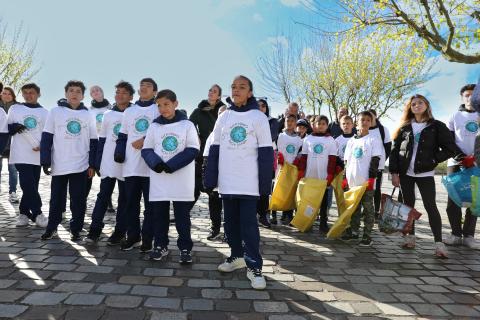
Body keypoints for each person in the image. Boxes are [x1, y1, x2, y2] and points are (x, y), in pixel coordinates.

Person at [204, 75, 273, 290]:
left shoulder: (258, 117)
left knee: (249, 226)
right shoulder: (224, 117)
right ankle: (236, 256)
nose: (236, 90)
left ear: (250, 92)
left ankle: (254, 266)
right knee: (230, 224)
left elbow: (265, 153)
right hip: (227, 181)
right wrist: (211, 178)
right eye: (233, 87)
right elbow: (214, 149)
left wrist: (264, 185)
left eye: (242, 87)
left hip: (248, 182)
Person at [390, 94, 466, 257]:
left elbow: (449, 148)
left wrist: (433, 160)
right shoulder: (404, 127)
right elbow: (395, 151)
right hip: (405, 174)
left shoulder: (437, 126)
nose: (416, 106)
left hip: (425, 173)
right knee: (408, 206)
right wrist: (394, 173)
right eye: (413, 104)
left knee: (431, 206)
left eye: (420, 103)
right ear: (410, 108)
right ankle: (410, 237)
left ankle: (439, 244)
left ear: (427, 105)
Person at [142, 89, 199, 264]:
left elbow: (193, 149)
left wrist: (172, 165)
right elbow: (147, 149)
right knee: (159, 215)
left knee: (182, 216)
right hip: (160, 178)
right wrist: (156, 163)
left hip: (181, 178)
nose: (163, 109)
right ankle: (160, 245)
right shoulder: (154, 126)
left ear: (176, 104)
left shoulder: (187, 125)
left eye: (166, 104)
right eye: (159, 105)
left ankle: (185, 248)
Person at [40, 80, 98, 241]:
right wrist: (45, 160)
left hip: (81, 164)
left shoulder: (88, 114)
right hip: (59, 164)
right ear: (66, 94)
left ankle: (76, 229)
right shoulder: (55, 112)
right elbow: (47, 137)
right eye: (71, 90)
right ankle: (52, 228)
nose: (74, 94)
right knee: (56, 200)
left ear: (83, 96)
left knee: (78, 200)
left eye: (78, 91)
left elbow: (94, 141)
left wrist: (93, 164)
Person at [86, 81, 134, 244]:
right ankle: (94, 230)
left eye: (124, 93)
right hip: (108, 162)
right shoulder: (108, 114)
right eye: (117, 92)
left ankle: (120, 231)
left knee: (124, 199)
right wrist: (98, 163)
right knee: (103, 197)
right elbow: (102, 140)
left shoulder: (134, 113)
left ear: (131, 96)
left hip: (127, 163)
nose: (120, 95)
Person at [114, 78, 159, 252]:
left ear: (154, 91)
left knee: (151, 206)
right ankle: (133, 236)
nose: (144, 88)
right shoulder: (130, 111)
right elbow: (123, 135)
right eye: (141, 86)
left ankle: (148, 239)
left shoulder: (158, 109)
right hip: (131, 165)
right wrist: (119, 152)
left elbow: (164, 131)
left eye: (148, 86)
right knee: (130, 204)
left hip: (150, 167)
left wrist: (145, 140)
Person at [7, 83, 49, 228]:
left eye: (31, 92)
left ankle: (24, 214)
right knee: (27, 182)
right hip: (20, 153)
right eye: (25, 92)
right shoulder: (15, 108)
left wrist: (43, 146)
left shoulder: (45, 112)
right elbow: (7, 127)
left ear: (38, 94)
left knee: (32, 184)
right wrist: (15, 127)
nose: (28, 95)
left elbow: (48, 133)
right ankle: (37, 213)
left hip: (36, 153)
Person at [444, 84, 480, 249]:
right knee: (454, 200)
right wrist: (461, 157)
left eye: (473, 95)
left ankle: (469, 235)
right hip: (456, 163)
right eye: (467, 95)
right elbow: (449, 142)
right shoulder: (454, 116)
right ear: (462, 97)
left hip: (477, 164)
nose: (470, 98)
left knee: (475, 200)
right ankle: (455, 234)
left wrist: (475, 159)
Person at [189, 85, 226, 239]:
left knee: (216, 195)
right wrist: (195, 136)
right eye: (209, 90)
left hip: (223, 155)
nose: (211, 93)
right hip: (202, 152)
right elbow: (189, 125)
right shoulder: (199, 110)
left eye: (214, 91)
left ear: (219, 96)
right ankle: (182, 213)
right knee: (197, 186)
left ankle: (218, 227)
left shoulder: (225, 111)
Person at [341, 111, 382, 246]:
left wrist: (371, 178)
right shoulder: (351, 141)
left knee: (368, 208)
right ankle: (354, 231)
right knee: (354, 208)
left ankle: (367, 234)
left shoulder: (374, 139)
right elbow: (346, 161)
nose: (364, 122)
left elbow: (375, 160)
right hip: (352, 181)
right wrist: (344, 178)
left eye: (367, 120)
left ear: (371, 123)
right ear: (356, 123)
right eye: (362, 120)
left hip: (366, 182)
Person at [295, 115, 337, 233]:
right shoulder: (308, 139)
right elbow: (303, 157)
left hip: (323, 178)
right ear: (314, 125)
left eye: (324, 124)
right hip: (309, 176)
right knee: (308, 200)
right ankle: (307, 222)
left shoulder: (330, 140)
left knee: (323, 202)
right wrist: (301, 171)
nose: (321, 126)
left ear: (327, 126)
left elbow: (333, 159)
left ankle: (323, 223)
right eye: (319, 123)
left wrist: (330, 175)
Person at [87, 85, 115, 212]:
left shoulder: (112, 108)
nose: (95, 92)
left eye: (97, 90)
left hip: (109, 143)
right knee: (91, 173)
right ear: (91, 95)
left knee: (107, 174)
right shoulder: (88, 110)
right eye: (92, 91)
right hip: (94, 143)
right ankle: (82, 199)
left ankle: (108, 201)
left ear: (102, 92)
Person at [202, 105, 227, 240]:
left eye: (225, 114)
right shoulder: (212, 135)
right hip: (215, 176)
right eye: (220, 114)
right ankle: (215, 229)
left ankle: (230, 232)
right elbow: (206, 157)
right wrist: (207, 178)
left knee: (230, 207)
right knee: (214, 204)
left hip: (229, 177)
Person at [274, 113, 303, 224]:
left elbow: (300, 152)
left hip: (292, 168)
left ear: (295, 123)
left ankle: (288, 215)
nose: (290, 123)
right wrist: (279, 157)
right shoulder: (280, 135)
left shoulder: (298, 139)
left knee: (290, 190)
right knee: (278, 188)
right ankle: (274, 214)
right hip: (281, 166)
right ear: (285, 122)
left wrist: (297, 161)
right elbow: (276, 148)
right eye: (288, 121)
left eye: (292, 121)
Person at [257, 98, 279, 228]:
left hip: (267, 154)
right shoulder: (250, 119)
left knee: (265, 186)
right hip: (252, 155)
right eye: (258, 106)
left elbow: (272, 135)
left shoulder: (272, 121)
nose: (261, 108)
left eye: (263, 106)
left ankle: (263, 214)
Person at [367, 109, 392, 219]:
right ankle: (365, 211)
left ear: (376, 117)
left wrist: (382, 160)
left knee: (376, 189)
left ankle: (376, 211)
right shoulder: (362, 129)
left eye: (372, 116)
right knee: (365, 189)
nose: (370, 119)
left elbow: (388, 147)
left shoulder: (383, 130)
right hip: (363, 165)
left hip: (378, 166)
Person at [0, 86, 19, 203]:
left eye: (9, 94)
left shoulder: (17, 108)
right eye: (4, 93)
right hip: (1, 141)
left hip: (12, 143)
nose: (6, 95)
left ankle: (13, 192)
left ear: (13, 96)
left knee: (13, 169)